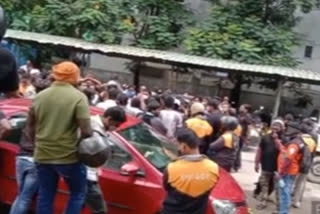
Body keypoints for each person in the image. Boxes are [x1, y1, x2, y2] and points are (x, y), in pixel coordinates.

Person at [27, 61, 93, 214]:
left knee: (45, 196)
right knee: (78, 193)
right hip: (68, 157)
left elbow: (30, 125)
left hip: (42, 155)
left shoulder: (40, 96)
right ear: (75, 77)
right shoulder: (79, 97)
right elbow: (87, 131)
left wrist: (35, 144)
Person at [162, 128, 219, 214]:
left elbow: (166, 187)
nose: (177, 148)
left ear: (184, 146)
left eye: (178, 145)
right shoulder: (214, 167)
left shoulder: (172, 168)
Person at [87, 107, 126, 214]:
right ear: (109, 119)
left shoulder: (100, 126)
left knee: (79, 202)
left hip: (90, 173)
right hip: (87, 175)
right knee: (101, 210)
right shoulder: (94, 128)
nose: (116, 128)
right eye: (116, 125)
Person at [276, 121, 311, 214]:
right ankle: (284, 211)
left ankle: (284, 212)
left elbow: (288, 159)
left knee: (285, 192)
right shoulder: (298, 141)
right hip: (290, 171)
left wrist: (281, 173)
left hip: (288, 172)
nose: (287, 130)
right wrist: (279, 144)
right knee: (286, 191)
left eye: (288, 128)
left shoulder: (294, 144)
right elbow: (285, 152)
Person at [254, 120, 285, 210]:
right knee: (264, 185)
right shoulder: (265, 137)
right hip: (265, 166)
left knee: (278, 187)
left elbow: (284, 152)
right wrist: (256, 163)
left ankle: (279, 207)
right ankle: (263, 201)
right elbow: (259, 150)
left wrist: (276, 140)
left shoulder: (285, 139)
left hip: (278, 169)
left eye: (278, 126)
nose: (275, 127)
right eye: (274, 125)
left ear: (282, 128)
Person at [9, 125, 38, 214]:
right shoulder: (46, 127)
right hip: (34, 162)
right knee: (25, 197)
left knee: (21, 195)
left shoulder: (27, 125)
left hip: (21, 159)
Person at [292, 119, 317, 208]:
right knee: (301, 182)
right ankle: (296, 201)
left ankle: (291, 198)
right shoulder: (313, 137)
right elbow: (313, 153)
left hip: (297, 163)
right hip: (306, 163)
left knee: (294, 181)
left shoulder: (299, 136)